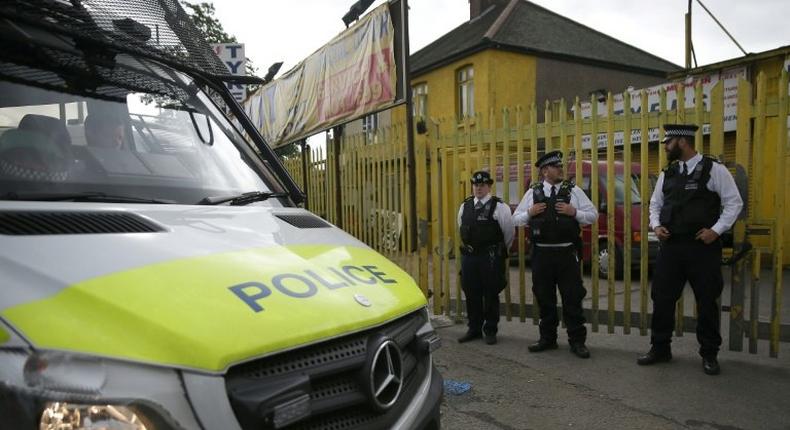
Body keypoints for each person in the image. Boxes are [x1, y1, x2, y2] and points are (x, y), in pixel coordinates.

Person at [637, 124, 743, 375]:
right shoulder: (668, 173)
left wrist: (716, 231)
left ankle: (709, 354)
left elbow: (733, 203)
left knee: (707, 301)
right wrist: (657, 225)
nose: (664, 147)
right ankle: (660, 348)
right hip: (672, 247)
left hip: (701, 248)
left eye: (668, 142)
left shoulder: (713, 170)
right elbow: (654, 204)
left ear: (682, 141)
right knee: (662, 298)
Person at [513, 150, 597, 358]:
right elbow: (516, 219)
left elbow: (593, 215)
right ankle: (547, 339)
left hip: (566, 254)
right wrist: (529, 213)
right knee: (544, 297)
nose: (561, 169)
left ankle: (577, 341)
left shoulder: (573, 190)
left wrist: (574, 212)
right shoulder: (533, 193)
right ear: (544, 171)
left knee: (572, 298)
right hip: (542, 255)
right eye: (555, 167)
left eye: (561, 166)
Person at [456, 170, 514, 345]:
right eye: (475, 185)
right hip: (470, 258)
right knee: (471, 293)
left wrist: (497, 252)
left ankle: (490, 329)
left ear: (489, 186)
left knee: (490, 293)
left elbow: (509, 233)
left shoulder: (500, 207)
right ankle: (474, 328)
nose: (478, 188)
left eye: (482, 185)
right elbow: (461, 227)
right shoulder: (465, 206)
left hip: (490, 257)